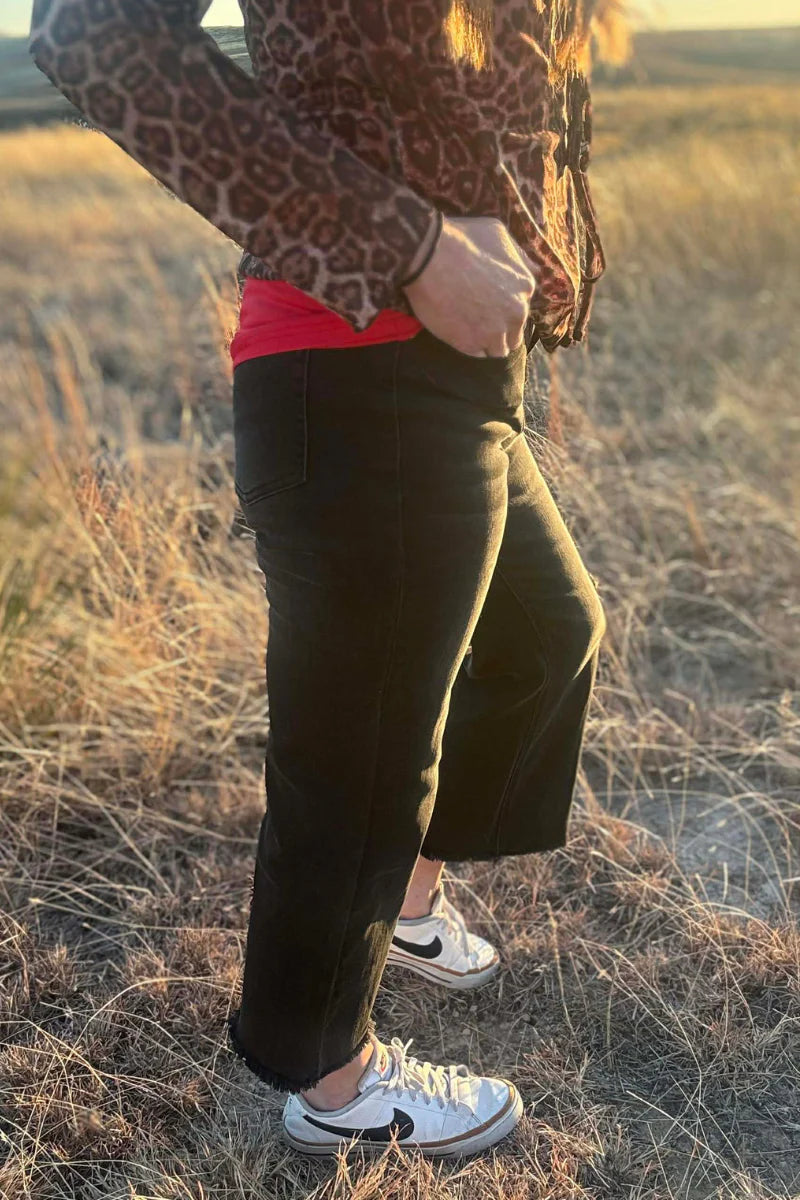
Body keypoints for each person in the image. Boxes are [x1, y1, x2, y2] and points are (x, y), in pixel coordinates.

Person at [29, 0, 607, 1159]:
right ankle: (331, 1082)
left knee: (544, 639)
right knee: (360, 756)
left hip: (459, 376)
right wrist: (412, 246)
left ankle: (404, 905)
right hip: (353, 359)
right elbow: (91, 31)